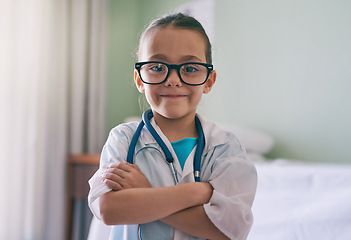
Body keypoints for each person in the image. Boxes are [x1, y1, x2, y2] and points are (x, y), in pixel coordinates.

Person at [88, 12, 257, 240]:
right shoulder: (124, 139)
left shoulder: (226, 149)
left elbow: (227, 231)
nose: (173, 79)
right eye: (157, 67)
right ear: (139, 79)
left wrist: (146, 193)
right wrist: (197, 192)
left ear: (209, 81)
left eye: (190, 68)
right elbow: (110, 210)